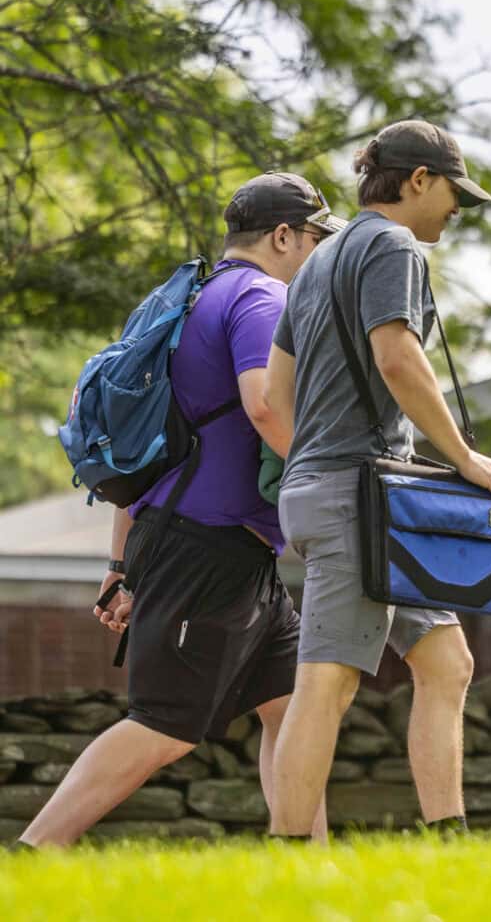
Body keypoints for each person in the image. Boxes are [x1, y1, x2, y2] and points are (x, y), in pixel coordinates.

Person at [19, 174, 343, 847]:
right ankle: (31, 853)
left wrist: (121, 561)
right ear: (284, 235)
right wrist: (330, 488)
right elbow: (264, 404)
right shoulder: (262, 296)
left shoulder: (192, 298)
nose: (317, 254)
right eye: (315, 238)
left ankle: (308, 866)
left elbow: (151, 455)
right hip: (207, 547)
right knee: (163, 723)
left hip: (216, 544)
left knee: (289, 707)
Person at [262, 121, 491, 838]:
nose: (456, 209)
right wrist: (465, 461)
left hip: (336, 489)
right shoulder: (391, 245)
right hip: (359, 497)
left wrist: (312, 472)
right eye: (451, 192)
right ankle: (287, 860)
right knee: (329, 677)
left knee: (447, 662)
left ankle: (449, 838)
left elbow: (274, 398)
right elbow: (398, 358)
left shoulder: (318, 261)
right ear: (417, 181)